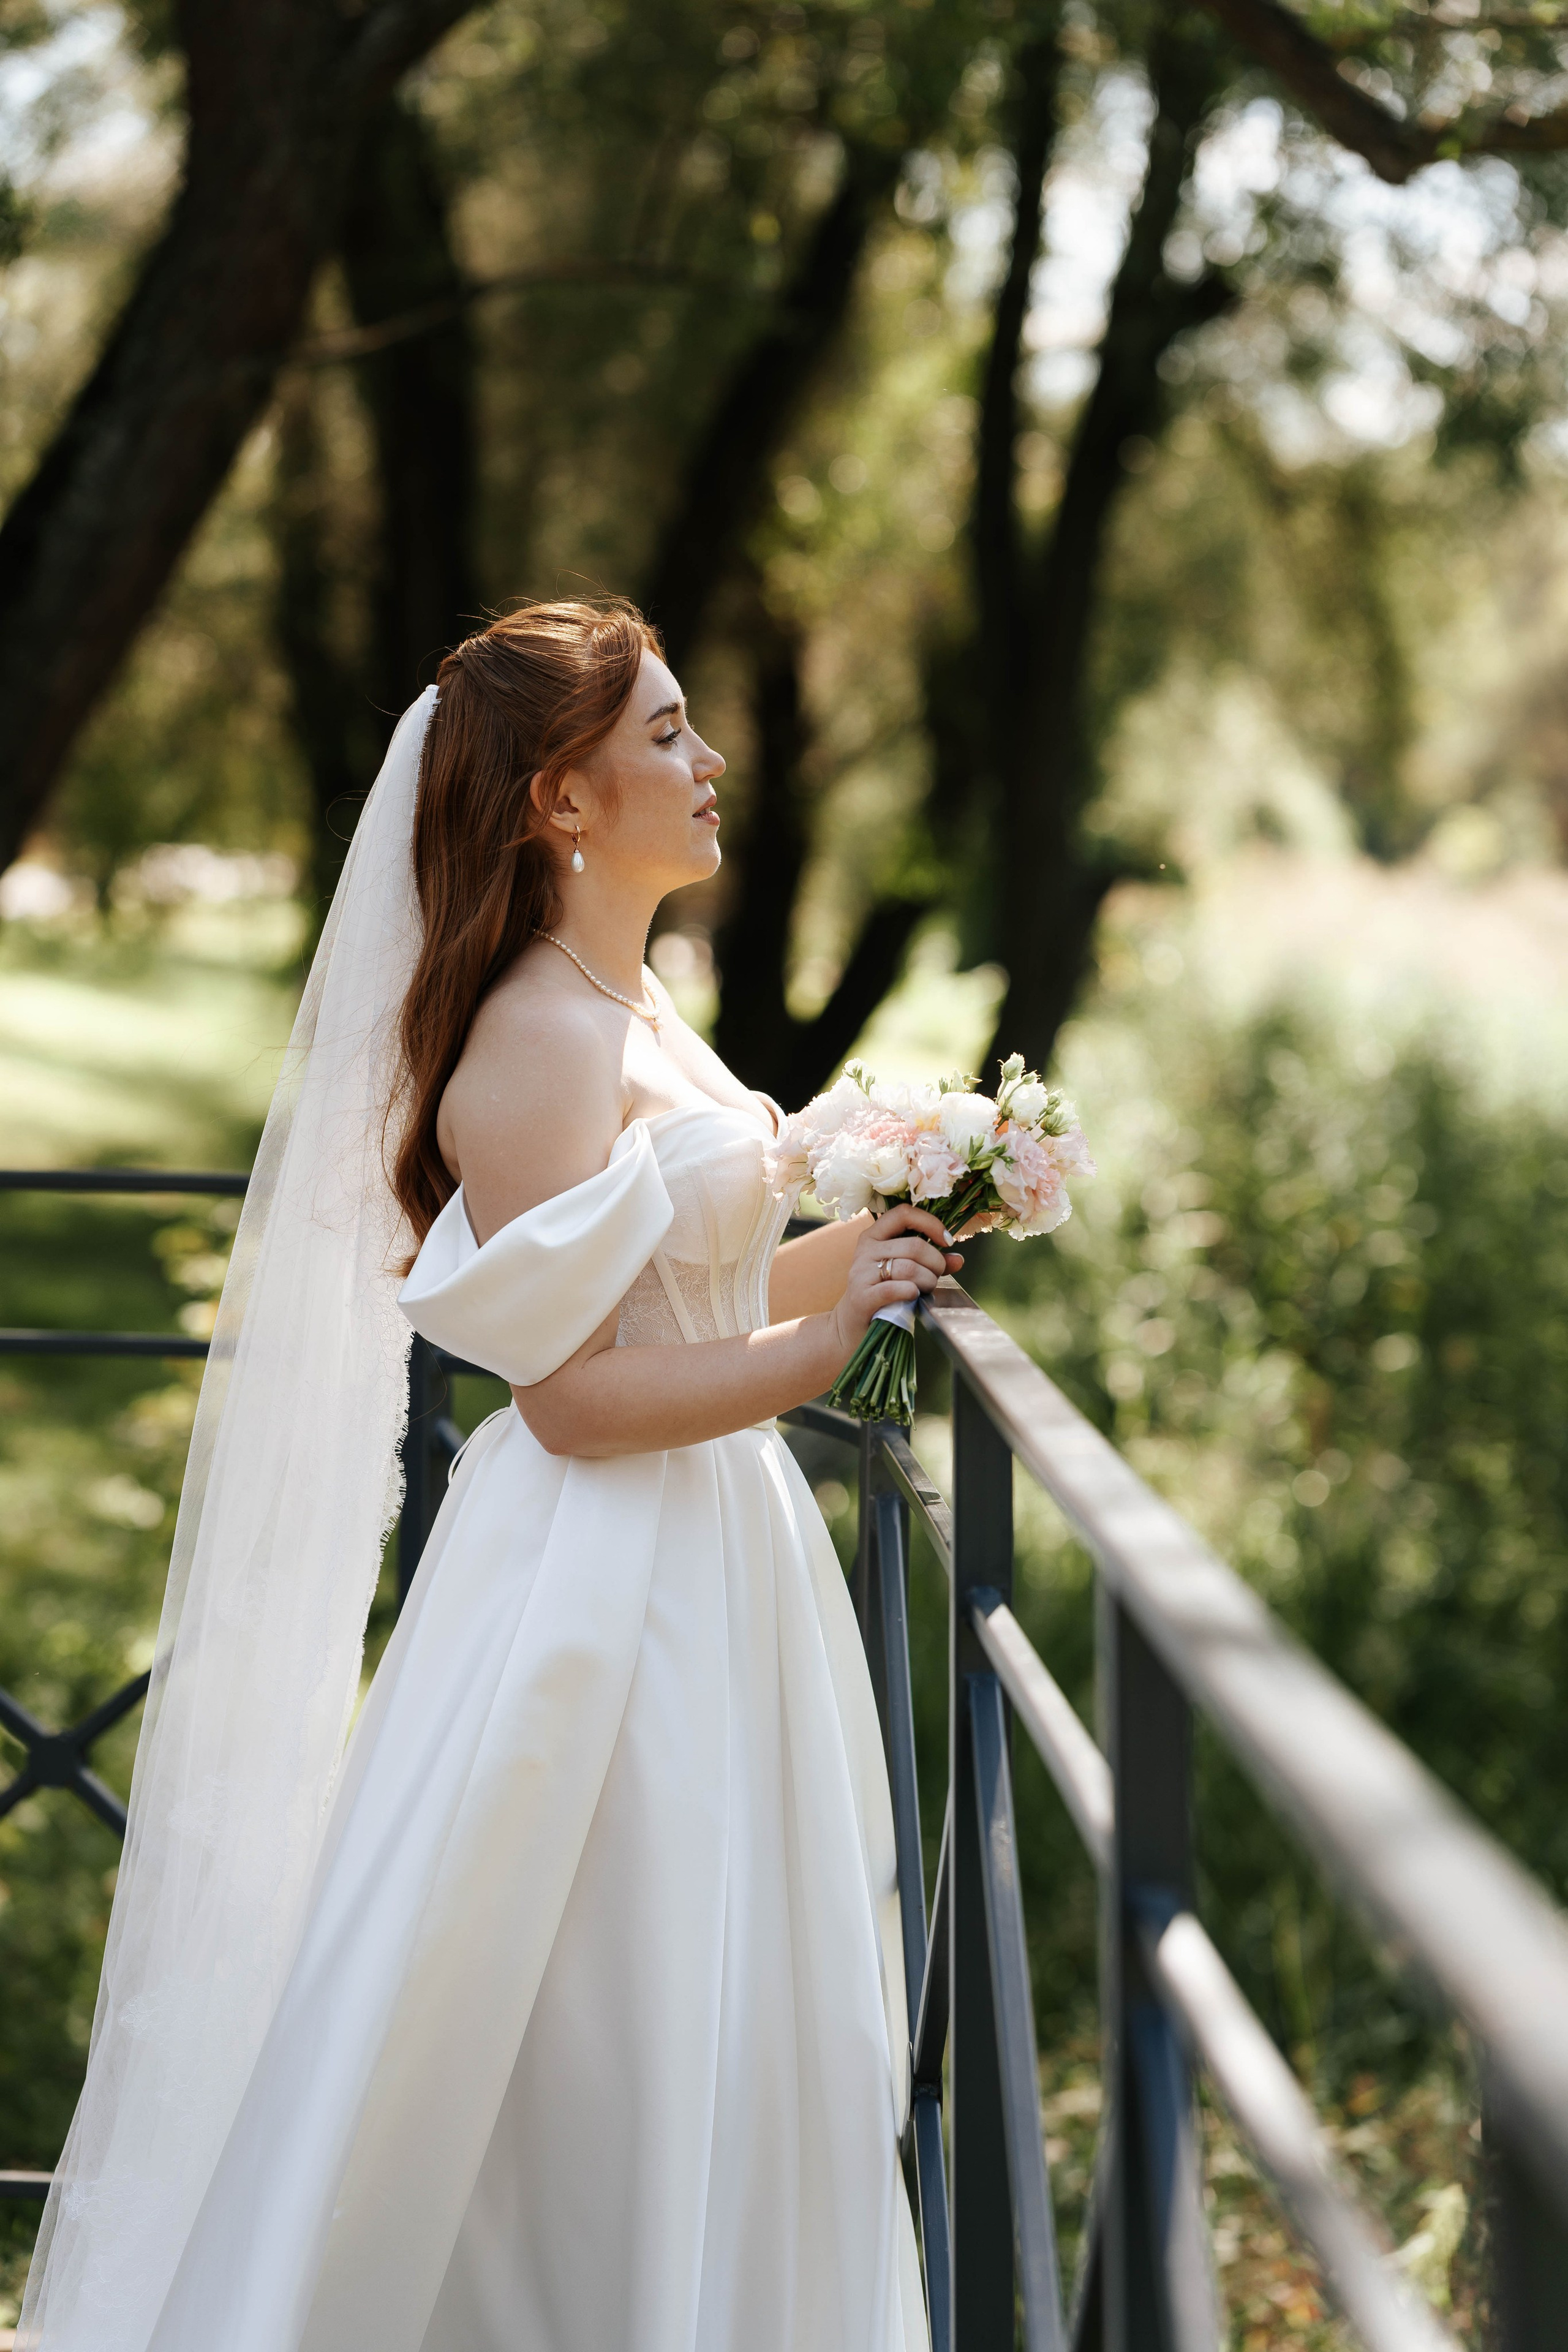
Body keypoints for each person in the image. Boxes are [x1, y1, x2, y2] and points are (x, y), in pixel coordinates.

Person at [20, 598, 959, 2352]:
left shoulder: (640, 1001)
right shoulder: (535, 1041)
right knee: (598, 2021)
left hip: (713, 1554)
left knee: (735, 2005)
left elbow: (706, 1288)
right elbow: (579, 1397)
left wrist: (890, 1244)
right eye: (666, 733)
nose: (709, 759)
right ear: (561, 799)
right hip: (604, 1595)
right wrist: (823, 1364)